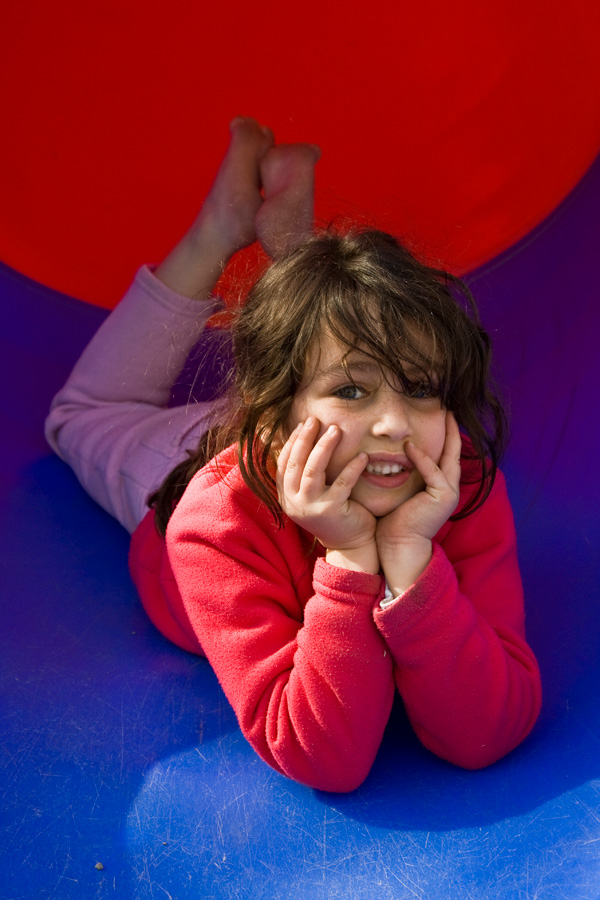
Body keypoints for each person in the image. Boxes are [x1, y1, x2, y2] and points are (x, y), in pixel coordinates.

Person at [46, 117, 542, 793]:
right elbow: (323, 758)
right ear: (277, 417)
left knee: (325, 337)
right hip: (190, 466)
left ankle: (293, 253)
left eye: (423, 388)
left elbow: (491, 726)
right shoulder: (214, 524)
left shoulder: (455, 482)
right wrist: (346, 562)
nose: (396, 424)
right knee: (80, 419)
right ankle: (219, 229)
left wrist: (412, 564)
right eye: (355, 391)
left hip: (299, 415)